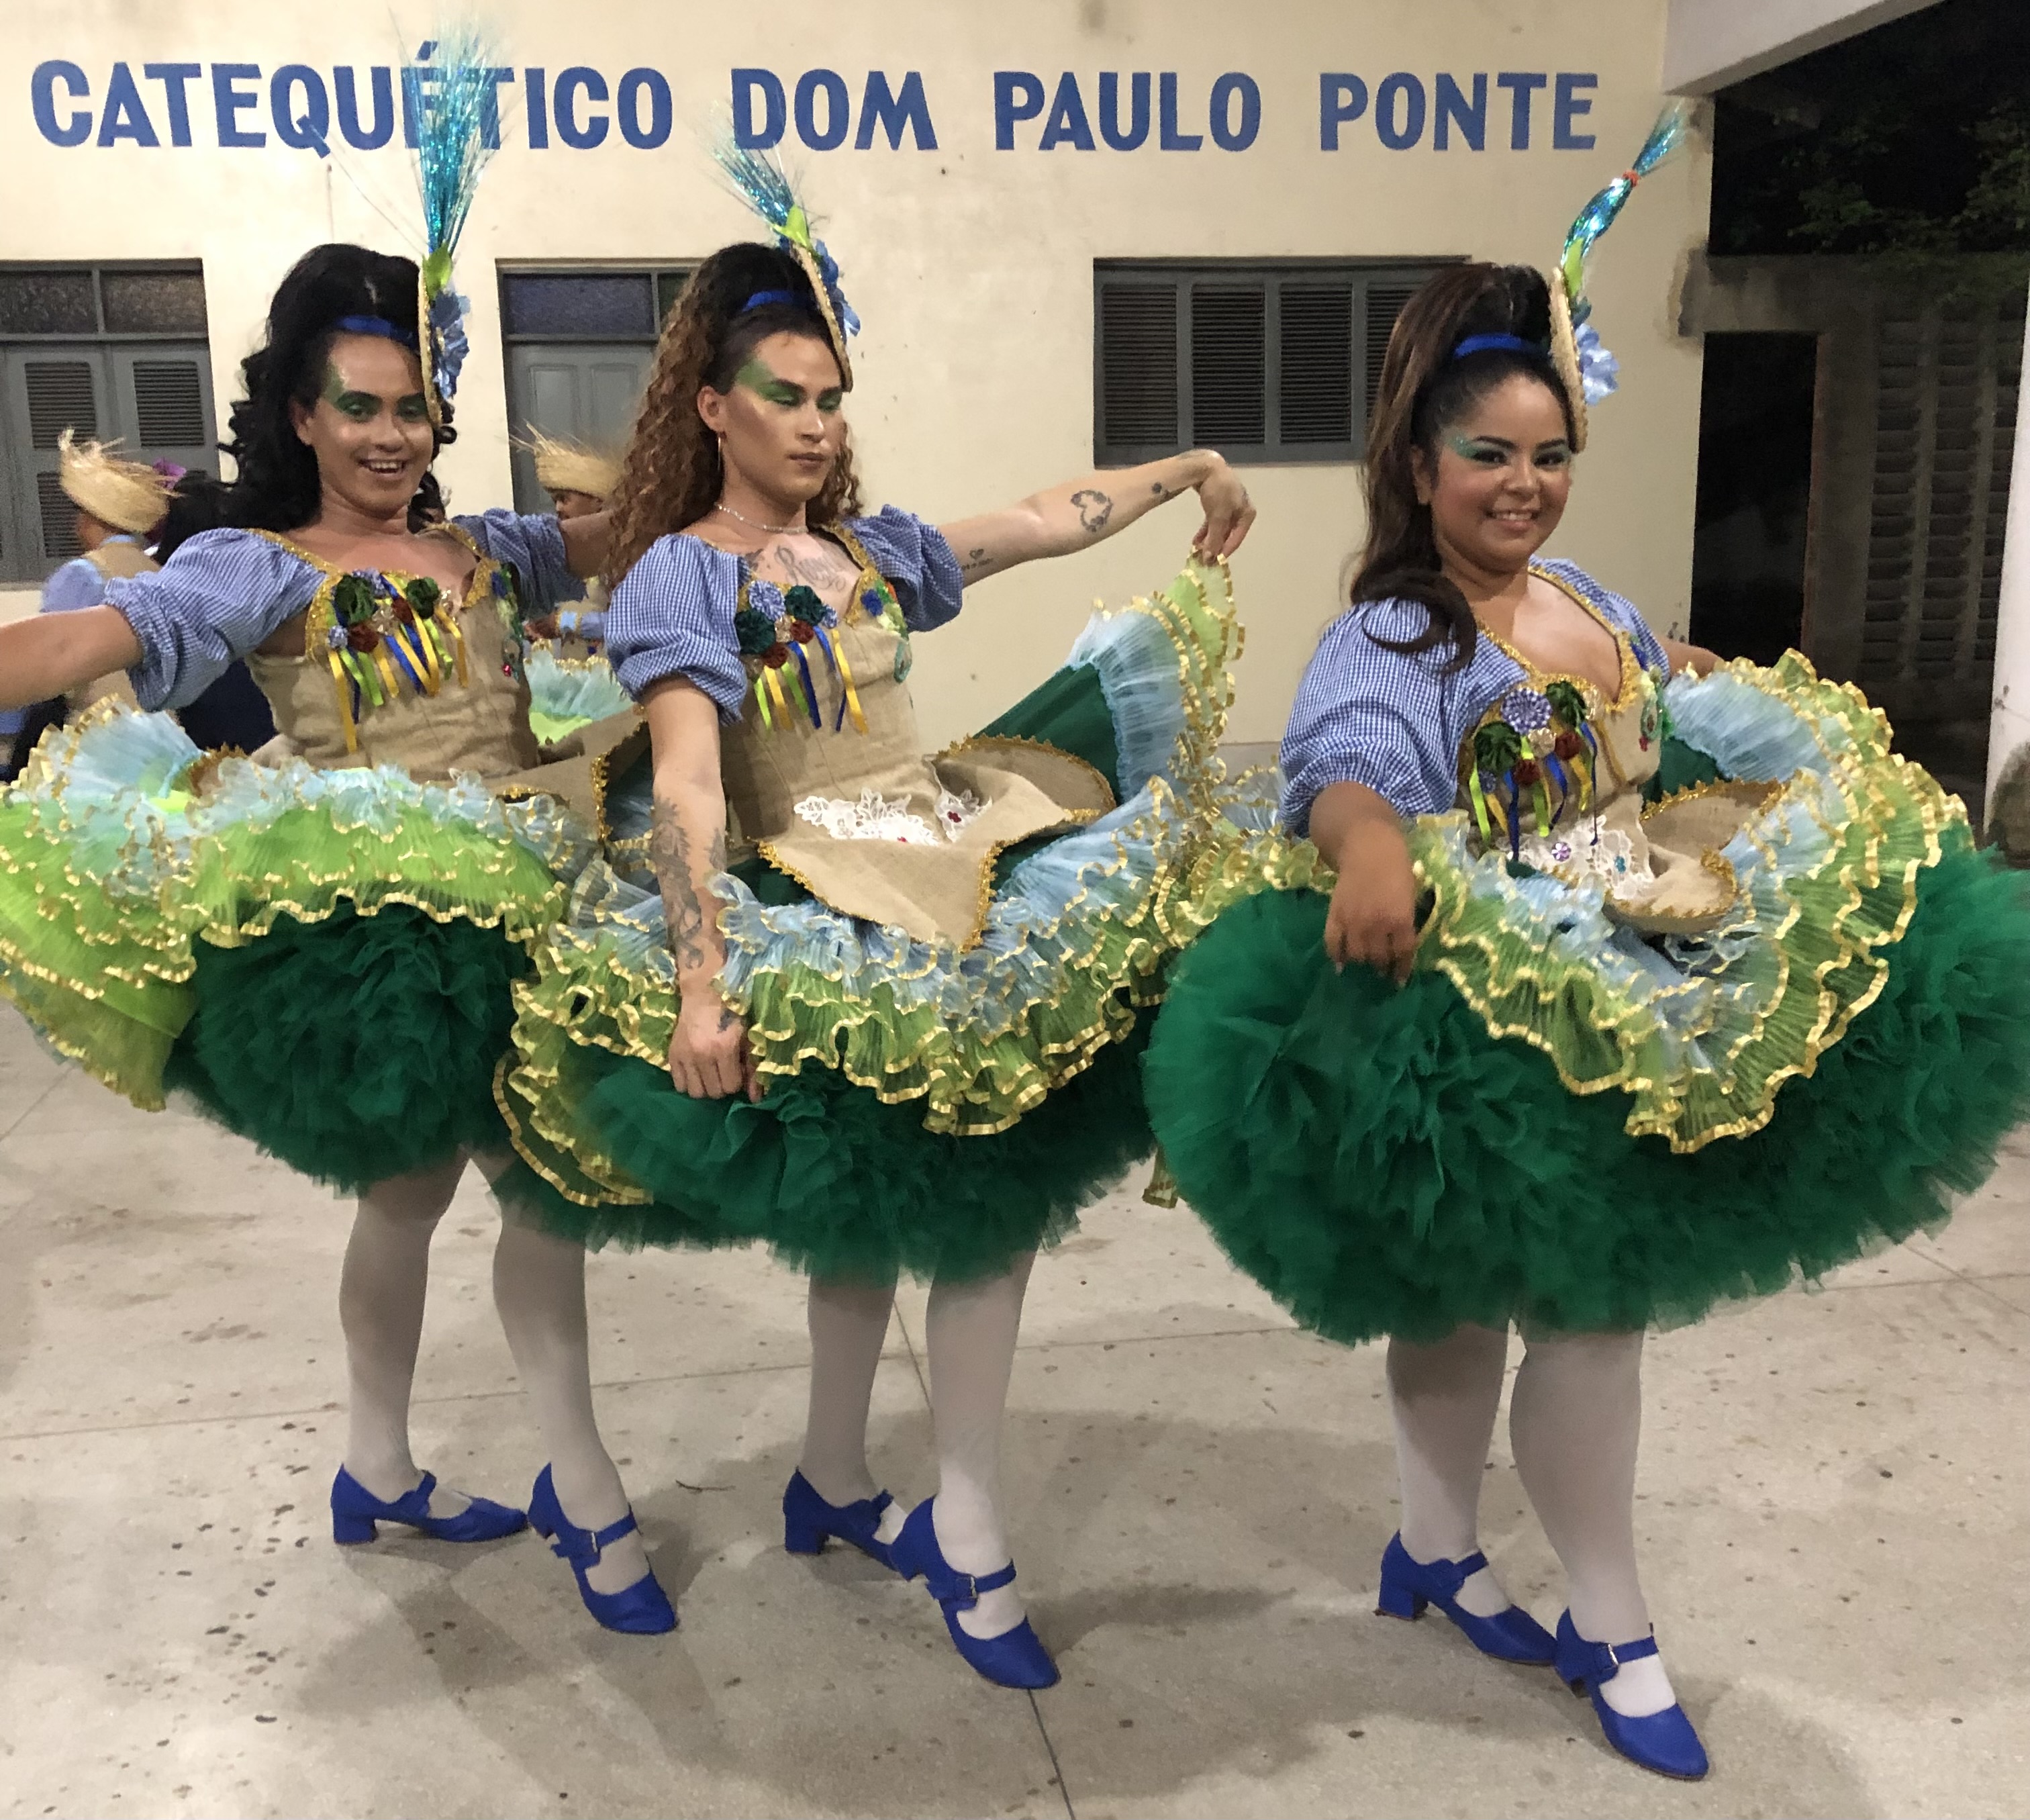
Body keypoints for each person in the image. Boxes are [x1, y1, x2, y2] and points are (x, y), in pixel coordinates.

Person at [1140, 123, 2030, 1782]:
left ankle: (1436, 1546)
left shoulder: (1587, 600)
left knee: (1544, 1305)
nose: (1524, 483)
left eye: (1549, 454)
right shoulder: (1397, 632)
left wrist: (1770, 716)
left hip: (1640, 985)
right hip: (1486, 1027)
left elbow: (1670, 679)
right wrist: (1372, 843)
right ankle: (1607, 1622)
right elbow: (1341, 765)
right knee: (1538, 1304)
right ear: (1420, 464)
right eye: (1489, 454)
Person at [493, 150, 1254, 1686]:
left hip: (947, 854)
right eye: (786, 395)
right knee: (962, 1199)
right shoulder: (678, 578)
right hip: (817, 903)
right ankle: (962, 1524)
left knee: (961, 1194)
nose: (817, 421)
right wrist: (701, 984)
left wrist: (1185, 467)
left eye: (832, 397)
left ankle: (841, 1478)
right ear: (714, 407)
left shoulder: (868, 552)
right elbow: (690, 782)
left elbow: (1036, 519)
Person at [0, 233, 671, 1631]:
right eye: (357, 406)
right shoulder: (256, 563)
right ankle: (514, 1480)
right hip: (392, 938)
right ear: (302, 416)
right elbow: (85, 641)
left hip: (536, 893)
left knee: (520, 1190)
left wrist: (744, 444)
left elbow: (638, 531)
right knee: (446, 1192)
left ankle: (460, 1473)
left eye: (410, 407)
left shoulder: (488, 547)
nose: (388, 434)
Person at [0, 435, 173, 779]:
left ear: (90, 519)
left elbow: (45, 661)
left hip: (100, 752)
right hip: (164, 748)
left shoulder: (82, 575)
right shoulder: (160, 573)